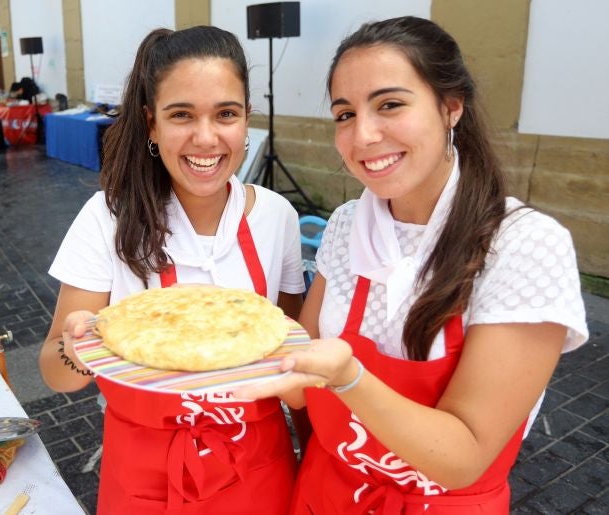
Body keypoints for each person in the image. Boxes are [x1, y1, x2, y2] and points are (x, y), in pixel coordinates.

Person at [233, 16, 589, 513]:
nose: (363, 135)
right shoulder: (346, 224)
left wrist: (348, 379)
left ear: (451, 106)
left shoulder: (525, 246)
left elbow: (462, 457)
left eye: (390, 105)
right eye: (344, 114)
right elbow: (299, 378)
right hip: (325, 494)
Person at [39, 26, 306, 514]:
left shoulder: (277, 218)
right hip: (145, 475)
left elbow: (297, 355)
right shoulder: (107, 218)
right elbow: (56, 374)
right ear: (151, 123)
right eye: (181, 115)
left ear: (247, 119)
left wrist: (311, 461)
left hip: (259, 467)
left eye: (226, 114)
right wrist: (78, 349)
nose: (205, 138)